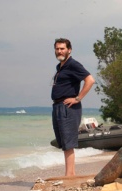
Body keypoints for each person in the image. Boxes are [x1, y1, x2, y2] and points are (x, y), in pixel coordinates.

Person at [51, 38, 95, 176]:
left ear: (69, 50)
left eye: (62, 48)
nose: (59, 51)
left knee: (68, 143)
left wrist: (78, 98)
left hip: (68, 107)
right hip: (58, 106)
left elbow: (90, 80)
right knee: (64, 143)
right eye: (57, 48)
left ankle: (69, 176)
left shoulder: (73, 64)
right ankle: (70, 174)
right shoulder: (60, 67)